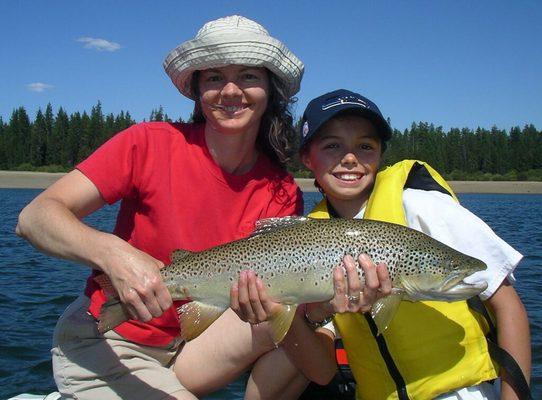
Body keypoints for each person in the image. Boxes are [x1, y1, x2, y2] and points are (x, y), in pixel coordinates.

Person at [15, 16, 390, 400]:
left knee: (286, 315)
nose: (230, 91)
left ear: (270, 90)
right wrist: (114, 255)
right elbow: (35, 217)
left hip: (193, 345)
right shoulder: (148, 143)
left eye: (247, 76)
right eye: (213, 78)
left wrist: (324, 306)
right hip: (111, 339)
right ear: (197, 90)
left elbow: (290, 313)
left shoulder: (280, 189)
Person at [296, 89, 532, 400]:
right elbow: (320, 371)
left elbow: (507, 304)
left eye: (365, 146)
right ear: (306, 159)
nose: (350, 157)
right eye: (332, 146)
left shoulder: (422, 206)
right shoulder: (308, 237)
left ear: (380, 154)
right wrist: (309, 313)